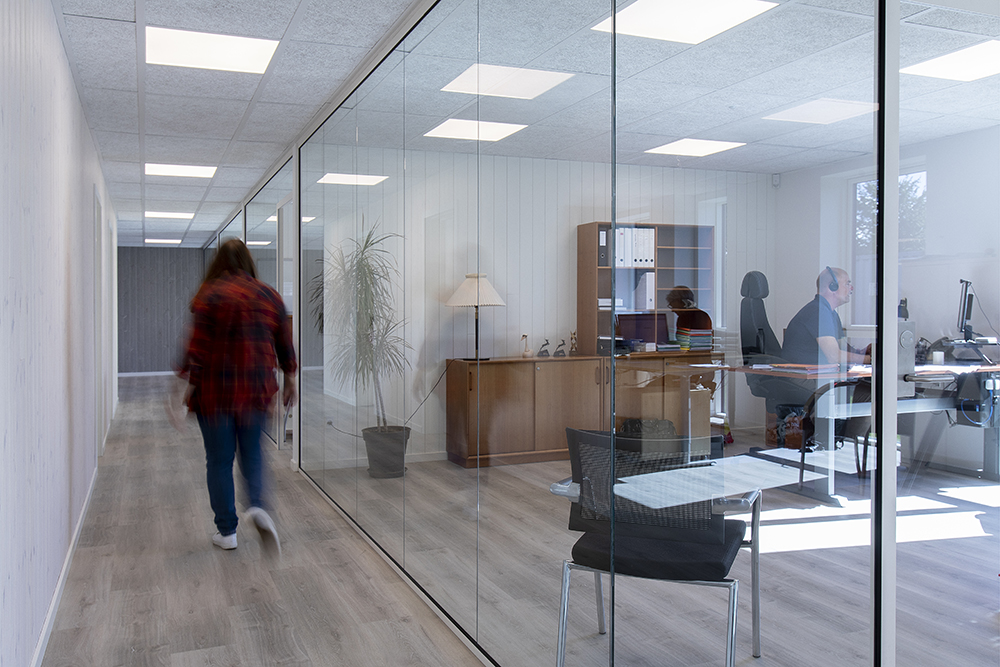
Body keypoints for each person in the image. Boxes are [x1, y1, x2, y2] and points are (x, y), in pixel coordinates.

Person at [177, 239, 297, 556]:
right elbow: (285, 343)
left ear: (218, 263)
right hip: (255, 392)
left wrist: (181, 385)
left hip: (214, 395)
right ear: (248, 262)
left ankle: (226, 531)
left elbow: (196, 348)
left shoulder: (208, 294)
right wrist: (290, 378)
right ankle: (257, 506)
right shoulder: (269, 295)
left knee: (218, 461)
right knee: (253, 455)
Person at [782, 266, 870, 448]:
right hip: (803, 378)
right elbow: (833, 355)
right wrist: (871, 360)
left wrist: (864, 353)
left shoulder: (830, 313)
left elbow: (842, 348)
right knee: (867, 390)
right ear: (832, 286)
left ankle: (846, 441)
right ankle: (847, 443)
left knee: (865, 387)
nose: (851, 288)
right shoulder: (818, 311)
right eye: (848, 283)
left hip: (819, 375)